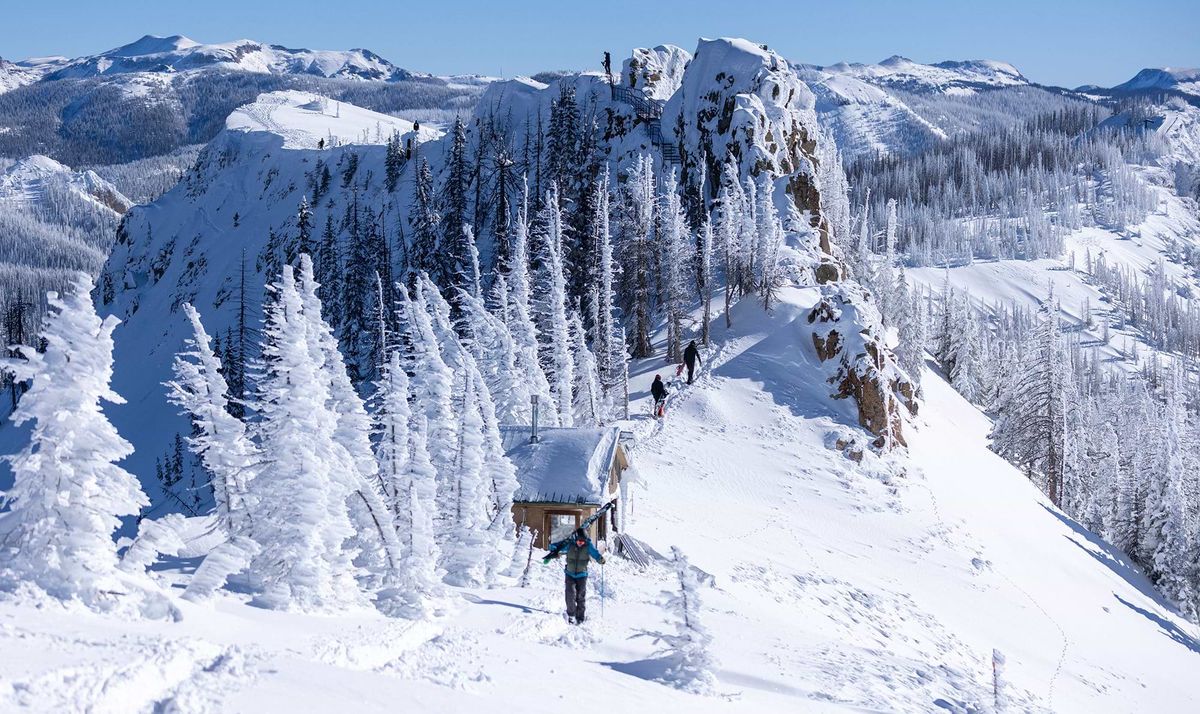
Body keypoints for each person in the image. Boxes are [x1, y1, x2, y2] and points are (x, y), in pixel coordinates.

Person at [543, 527, 605, 624]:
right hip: (570, 574)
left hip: (582, 575)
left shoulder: (588, 545)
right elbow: (556, 546)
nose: (581, 543)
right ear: (575, 539)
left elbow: (595, 553)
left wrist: (600, 559)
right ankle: (571, 615)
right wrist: (553, 549)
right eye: (579, 541)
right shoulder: (569, 544)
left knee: (580, 596)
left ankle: (580, 617)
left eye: (583, 541)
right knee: (570, 594)